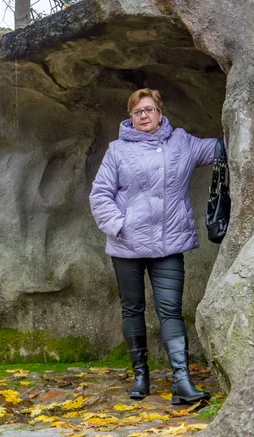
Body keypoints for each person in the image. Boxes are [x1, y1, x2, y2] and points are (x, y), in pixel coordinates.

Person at [89, 88, 221, 405]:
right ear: (130, 116)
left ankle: (182, 382)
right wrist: (120, 226)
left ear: (160, 112)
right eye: (137, 111)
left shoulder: (182, 143)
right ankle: (141, 377)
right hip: (127, 246)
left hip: (169, 244)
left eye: (148, 109)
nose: (144, 116)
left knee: (170, 311)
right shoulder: (117, 151)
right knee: (133, 309)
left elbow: (221, 148)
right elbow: (99, 195)